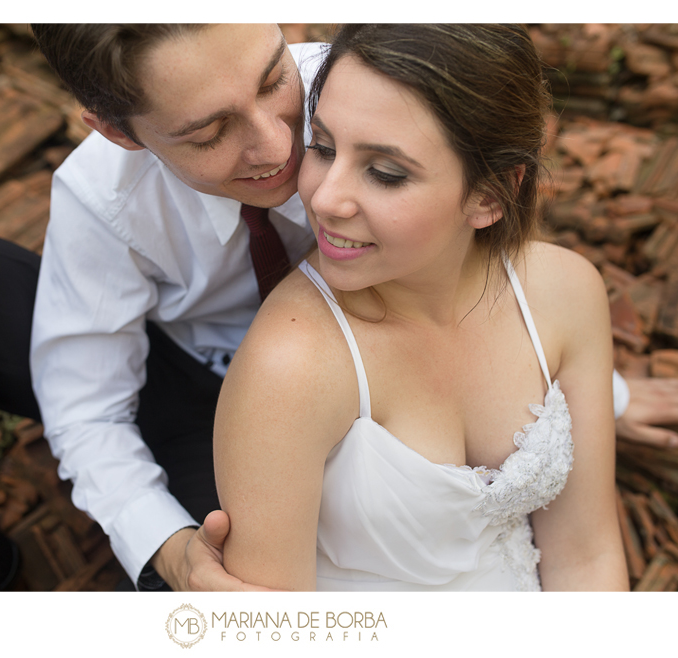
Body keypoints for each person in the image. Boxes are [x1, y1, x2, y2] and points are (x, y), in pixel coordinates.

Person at [0, 23, 678, 591]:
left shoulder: (369, 87)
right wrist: (168, 548)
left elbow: (475, 266)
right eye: (209, 130)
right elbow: (88, 409)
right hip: (189, 384)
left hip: (388, 367)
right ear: (118, 129)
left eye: (273, 82)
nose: (283, 149)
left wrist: (590, 398)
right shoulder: (104, 198)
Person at [213, 24, 630, 590]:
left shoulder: (565, 292)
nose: (325, 197)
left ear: (488, 195)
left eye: (386, 173)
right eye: (323, 147)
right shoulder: (290, 365)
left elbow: (586, 555)